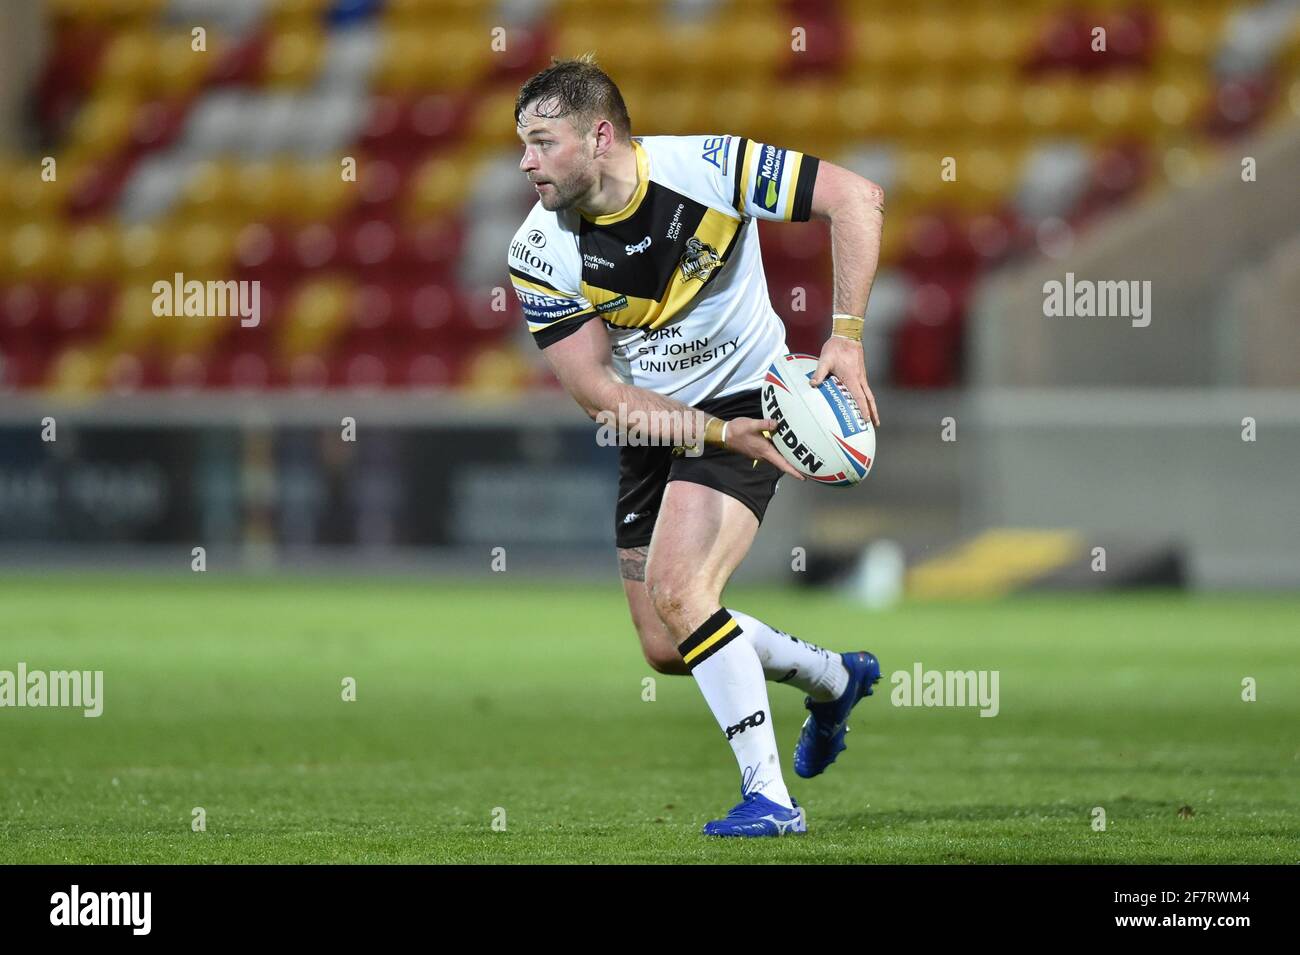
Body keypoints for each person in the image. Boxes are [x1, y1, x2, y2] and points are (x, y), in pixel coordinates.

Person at [507, 54, 886, 837]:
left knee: (681, 591)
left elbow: (857, 198)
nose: (525, 161)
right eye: (523, 143)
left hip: (752, 391)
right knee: (664, 643)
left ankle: (771, 799)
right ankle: (832, 677)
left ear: (600, 135)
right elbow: (600, 395)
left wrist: (844, 338)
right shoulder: (539, 250)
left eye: (543, 142)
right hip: (659, 419)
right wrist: (712, 433)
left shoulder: (710, 167)